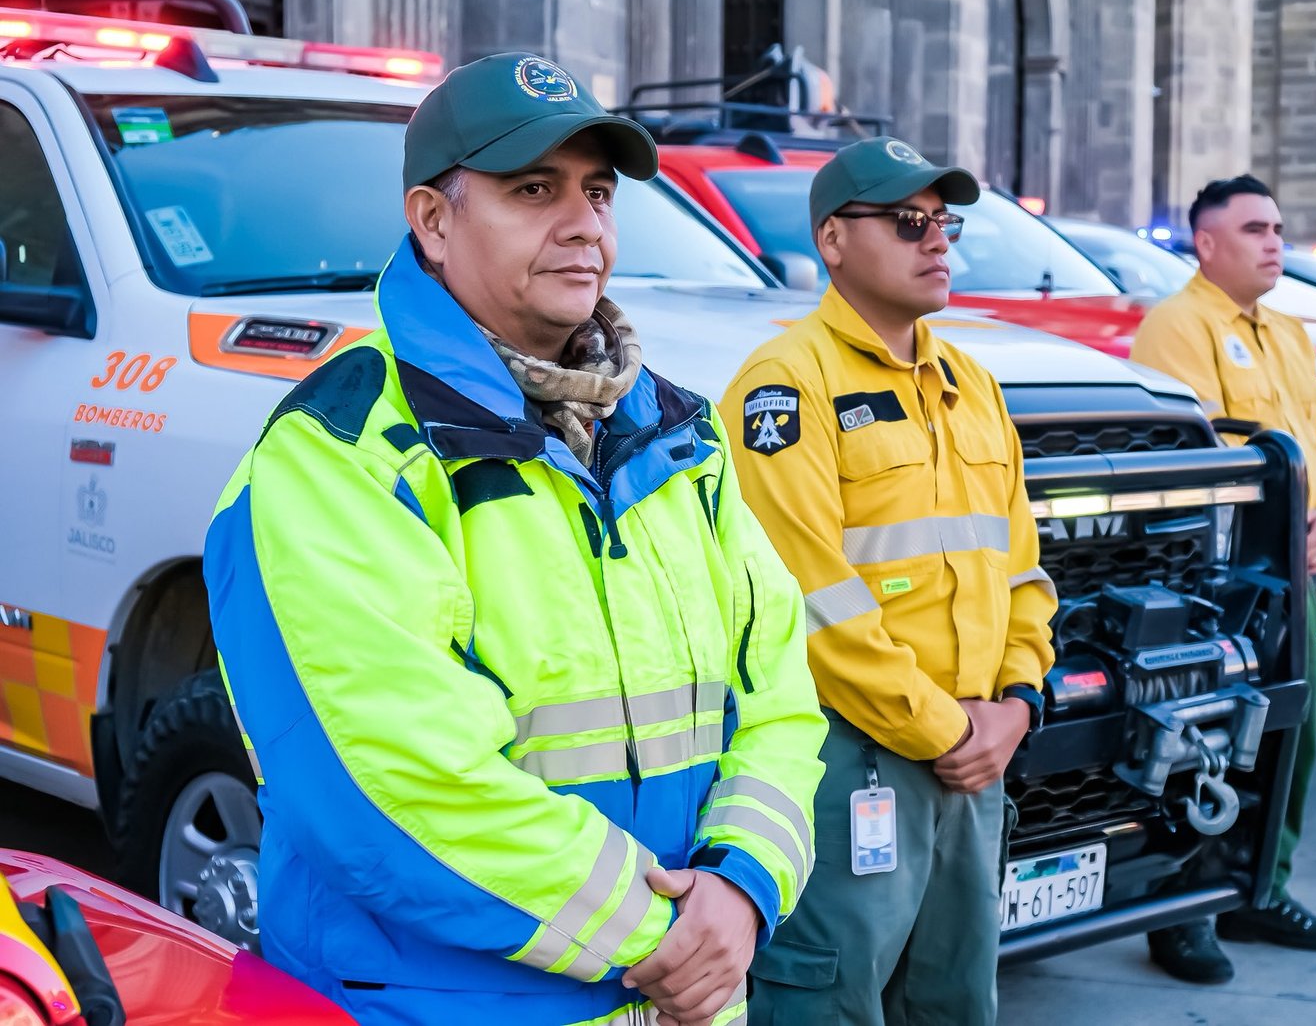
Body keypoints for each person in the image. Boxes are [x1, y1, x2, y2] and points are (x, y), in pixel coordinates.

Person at [202, 53, 827, 1026]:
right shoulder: (336, 455)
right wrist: (667, 934)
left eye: (599, 192)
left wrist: (743, 885)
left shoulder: (675, 434)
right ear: (433, 219)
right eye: (534, 190)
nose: (584, 224)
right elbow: (390, 786)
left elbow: (780, 692)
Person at [718, 136, 1055, 1025]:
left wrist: (1018, 700)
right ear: (833, 240)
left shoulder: (971, 384)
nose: (937, 240)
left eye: (944, 221)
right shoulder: (783, 386)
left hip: (977, 753)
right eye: (910, 222)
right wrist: (948, 728)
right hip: (855, 759)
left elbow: (1022, 565)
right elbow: (805, 598)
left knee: (956, 999)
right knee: (831, 997)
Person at [1128, 175, 1316, 983]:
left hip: (1296, 575)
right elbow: (1188, 468)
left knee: (1289, 738)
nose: (1275, 242)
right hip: (1219, 586)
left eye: (1279, 228)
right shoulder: (1177, 328)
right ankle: (1185, 910)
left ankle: (1263, 886)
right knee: (1206, 746)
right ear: (1207, 243)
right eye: (1256, 228)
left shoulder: (1288, 332)